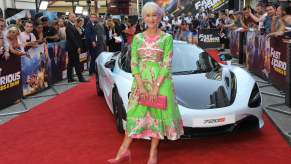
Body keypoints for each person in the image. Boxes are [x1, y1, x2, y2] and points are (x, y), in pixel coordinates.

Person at [108, 2, 184, 164]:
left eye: (154, 15)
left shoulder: (167, 38)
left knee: (157, 117)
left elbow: (167, 64)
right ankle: (123, 150)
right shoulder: (137, 38)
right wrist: (141, 85)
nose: (151, 18)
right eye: (148, 15)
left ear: (160, 17)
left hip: (161, 84)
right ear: (143, 18)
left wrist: (156, 87)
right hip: (141, 83)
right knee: (135, 116)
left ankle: (153, 153)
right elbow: (134, 62)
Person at [65, 13, 86, 82]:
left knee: (70, 64)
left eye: (74, 17)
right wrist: (78, 47)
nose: (74, 18)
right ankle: (80, 78)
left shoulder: (72, 25)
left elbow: (76, 36)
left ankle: (70, 78)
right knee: (76, 63)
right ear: (69, 18)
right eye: (72, 17)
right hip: (72, 47)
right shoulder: (69, 26)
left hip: (73, 47)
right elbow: (73, 38)